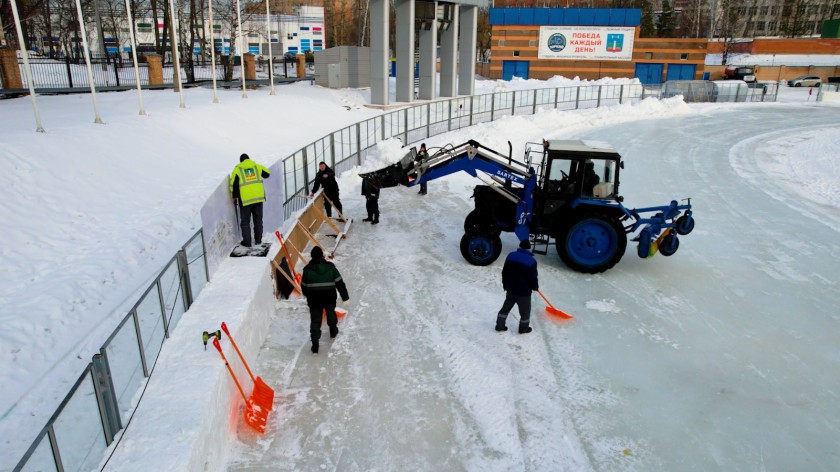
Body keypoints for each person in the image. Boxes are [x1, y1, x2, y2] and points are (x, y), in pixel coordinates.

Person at [300, 246, 350, 354]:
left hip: (314, 300)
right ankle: (333, 331)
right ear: (322, 256)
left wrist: (308, 295)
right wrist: (345, 297)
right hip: (329, 297)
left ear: (312, 256)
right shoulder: (331, 268)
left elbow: (304, 286)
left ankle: (315, 345)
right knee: (330, 313)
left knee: (315, 320)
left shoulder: (307, 270)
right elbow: (340, 283)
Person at [495, 239, 539, 334]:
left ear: (520, 247)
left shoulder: (511, 256)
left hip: (510, 289)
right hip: (523, 293)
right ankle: (523, 329)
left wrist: (505, 285)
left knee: (506, 308)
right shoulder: (531, 261)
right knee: (525, 312)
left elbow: (504, 272)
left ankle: (499, 325)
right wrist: (535, 286)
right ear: (528, 249)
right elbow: (533, 277)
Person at [229, 153, 270, 247]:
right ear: (249, 159)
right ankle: (258, 240)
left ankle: (247, 242)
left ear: (241, 161)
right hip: (258, 198)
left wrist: (234, 196)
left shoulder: (238, 169)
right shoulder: (256, 166)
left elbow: (234, 185)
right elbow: (267, 173)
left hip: (246, 200)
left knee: (245, 222)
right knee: (258, 220)